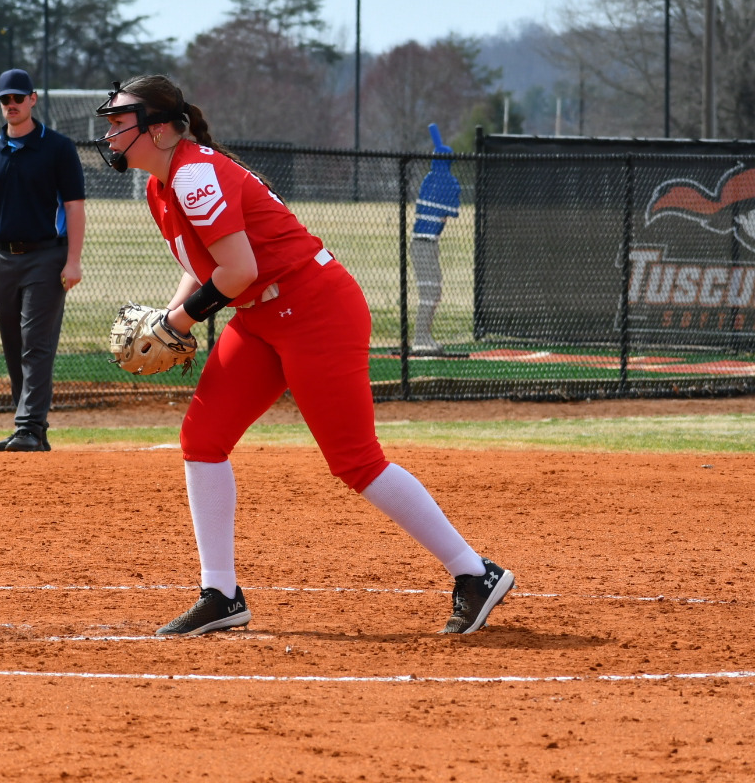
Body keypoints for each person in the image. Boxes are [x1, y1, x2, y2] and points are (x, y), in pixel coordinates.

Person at [95, 74, 513, 636]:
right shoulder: (162, 185)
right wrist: (166, 318)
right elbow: (202, 267)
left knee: (356, 461)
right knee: (203, 439)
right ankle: (220, 593)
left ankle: (474, 572)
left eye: (122, 121)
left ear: (163, 129)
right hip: (262, 317)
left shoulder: (195, 174)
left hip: (315, 307)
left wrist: (177, 322)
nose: (112, 133)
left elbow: (238, 270)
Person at [0, 68, 87, 452]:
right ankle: (31, 429)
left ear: (33, 99)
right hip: (2, 259)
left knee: (36, 344)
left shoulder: (57, 147)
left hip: (47, 258)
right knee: (14, 345)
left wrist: (74, 260)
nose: (12, 105)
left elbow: (75, 206)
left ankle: (28, 427)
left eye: (18, 98)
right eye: (5, 99)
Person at [410, 123, 461, 353]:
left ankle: (424, 336)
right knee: (430, 291)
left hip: (429, 244)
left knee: (434, 291)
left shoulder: (432, 179)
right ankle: (421, 339)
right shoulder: (440, 181)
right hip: (422, 243)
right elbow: (453, 209)